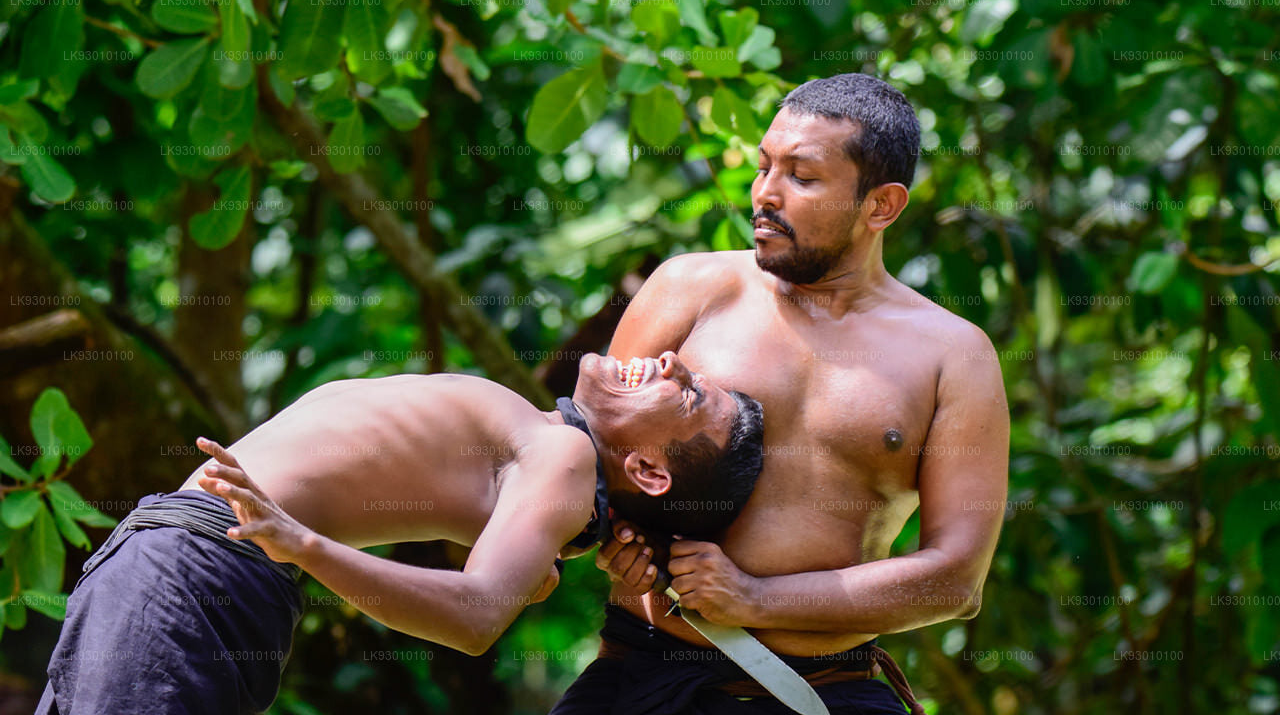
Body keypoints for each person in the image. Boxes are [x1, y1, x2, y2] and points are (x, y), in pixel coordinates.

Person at [551, 73, 1010, 714]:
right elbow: (576, 463)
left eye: (802, 176)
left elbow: (955, 580)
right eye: (764, 166)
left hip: (826, 690)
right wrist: (610, 540)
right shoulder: (689, 288)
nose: (765, 194)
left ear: (881, 206)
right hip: (644, 671)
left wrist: (754, 599)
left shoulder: (953, 355)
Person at [36, 351, 764, 715]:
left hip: (200, 568)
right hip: (175, 558)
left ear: (650, 469)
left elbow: (476, 616)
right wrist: (584, 534)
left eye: (690, 392)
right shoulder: (553, 456)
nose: (670, 361)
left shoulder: (565, 456)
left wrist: (305, 544)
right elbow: (517, 531)